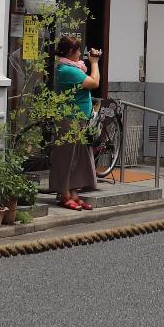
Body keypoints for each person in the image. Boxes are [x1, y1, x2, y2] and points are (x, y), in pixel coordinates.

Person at [51, 36, 101, 212]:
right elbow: (94, 83)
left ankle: (73, 194)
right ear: (71, 52)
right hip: (69, 119)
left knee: (77, 158)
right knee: (66, 158)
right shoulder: (66, 70)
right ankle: (64, 195)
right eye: (78, 51)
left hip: (79, 118)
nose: (80, 54)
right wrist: (95, 63)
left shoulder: (73, 67)